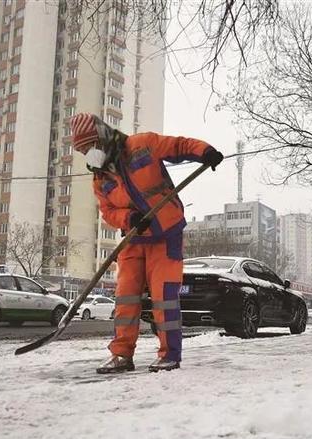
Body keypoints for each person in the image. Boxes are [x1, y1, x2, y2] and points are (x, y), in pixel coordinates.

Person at [69, 113, 223, 373]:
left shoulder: (141, 145)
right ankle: (121, 355)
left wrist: (204, 152)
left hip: (165, 234)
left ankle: (169, 354)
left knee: (164, 297)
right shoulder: (100, 178)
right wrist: (128, 217)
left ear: (103, 137)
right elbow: (108, 212)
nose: (87, 153)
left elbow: (179, 146)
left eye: (88, 146)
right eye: (82, 149)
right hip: (133, 238)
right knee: (125, 297)